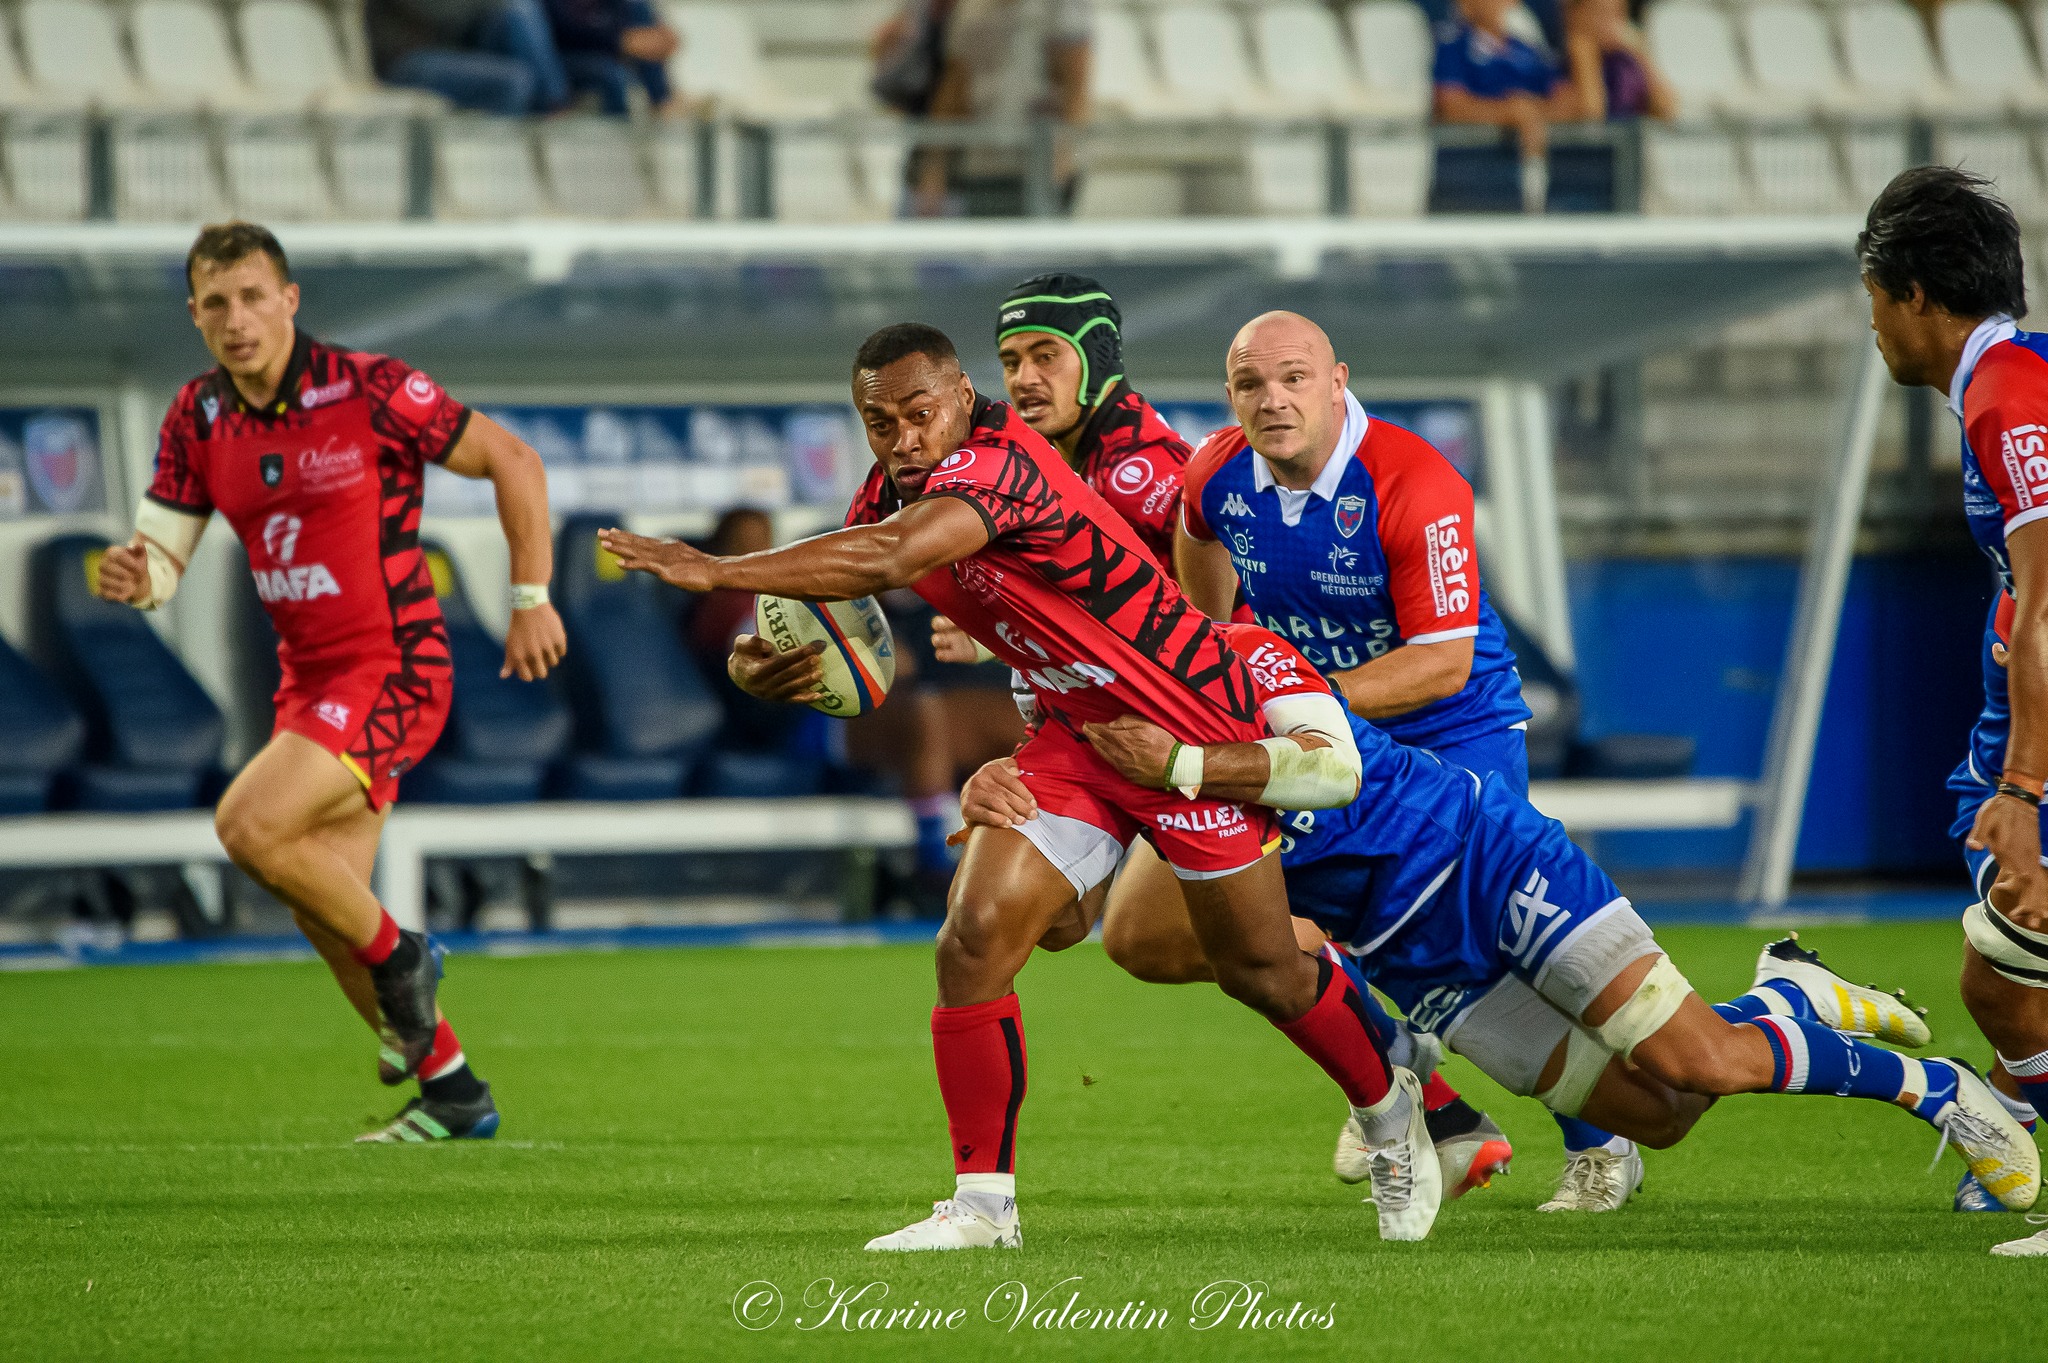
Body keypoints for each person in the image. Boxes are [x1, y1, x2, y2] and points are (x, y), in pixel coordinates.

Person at [596, 322, 1439, 1247]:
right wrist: (754, 664)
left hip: (1183, 718)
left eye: (919, 414)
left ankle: (1391, 1107)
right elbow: (839, 606)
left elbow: (885, 558)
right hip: (1073, 733)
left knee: (1262, 969)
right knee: (973, 937)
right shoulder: (894, 485)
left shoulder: (1003, 464)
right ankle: (983, 1207)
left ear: (961, 396)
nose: (904, 439)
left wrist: (709, 567)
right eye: (880, 422)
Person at [952, 620, 2039, 1228]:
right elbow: (1071, 926)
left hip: (1484, 861)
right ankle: (1790, 998)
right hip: (1415, 959)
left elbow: (1327, 770)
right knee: (1655, 1115)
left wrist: (1184, 764)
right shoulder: (1099, 736)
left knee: (1693, 1057)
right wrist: (1005, 818)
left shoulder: (1242, 652)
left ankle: (1939, 1090)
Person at [92, 222, 567, 1142]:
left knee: (248, 825)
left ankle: (411, 957)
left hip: (394, 666)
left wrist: (529, 596)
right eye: (217, 303)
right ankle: (456, 1095)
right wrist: (134, 576)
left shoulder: (373, 389)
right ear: (194, 315)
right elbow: (161, 559)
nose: (238, 319)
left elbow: (515, 461)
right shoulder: (197, 416)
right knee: (322, 904)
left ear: (290, 299)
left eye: (253, 296)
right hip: (305, 680)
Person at [1175, 310, 1647, 1209]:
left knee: (1498, 950)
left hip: (1453, 730)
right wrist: (1217, 649)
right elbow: (1197, 534)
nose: (1272, 399)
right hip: (1326, 732)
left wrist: (1303, 706)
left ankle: (1601, 1140)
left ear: (1338, 379)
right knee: (1279, 919)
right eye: (1249, 384)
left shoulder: (1413, 480)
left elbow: (1443, 660)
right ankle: (1409, 1080)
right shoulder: (1218, 471)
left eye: (1294, 377)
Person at [1858, 165, 2048, 1252]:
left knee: (2007, 961)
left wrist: (2021, 786)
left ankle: (2005, 1135)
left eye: (1874, 300)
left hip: (2030, 754)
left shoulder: (2006, 393)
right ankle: (2006, 1132)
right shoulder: (2004, 387)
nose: (1873, 327)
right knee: (2000, 970)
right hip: (2008, 738)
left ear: (1915, 295)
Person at [911, 0, 1092, 217]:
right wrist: (935, 165)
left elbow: (1075, 84)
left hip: (1037, 162)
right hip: (982, 160)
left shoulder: (1061, 7)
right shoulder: (970, 7)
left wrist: (1063, 155)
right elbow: (955, 86)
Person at [1432, 0, 1585, 211]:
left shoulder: (1527, 50)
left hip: (1521, 186)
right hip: (1466, 183)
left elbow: (1570, 101)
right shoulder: (1452, 44)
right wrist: (1507, 111)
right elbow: (1450, 105)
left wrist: (1530, 112)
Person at [368, 0, 574, 115]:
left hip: (450, 51)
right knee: (515, 81)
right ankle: (552, 106)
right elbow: (445, 15)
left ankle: (554, 103)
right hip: (405, 60)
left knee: (520, 8)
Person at [544, 0, 681, 115]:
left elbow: (618, 14)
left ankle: (661, 99)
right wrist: (621, 41)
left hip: (604, 45)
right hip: (561, 57)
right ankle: (620, 141)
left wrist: (651, 37)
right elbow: (563, 31)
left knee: (639, 8)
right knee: (613, 75)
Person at [1562, 0, 1676, 123]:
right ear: (1575, 15)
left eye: (1617, 13)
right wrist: (1583, 49)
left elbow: (1667, 108)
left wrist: (1639, 51)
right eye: (1600, 13)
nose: (1609, 23)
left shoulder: (1625, 59)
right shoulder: (1573, 53)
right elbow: (1592, 112)